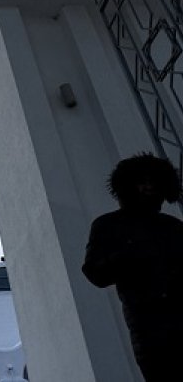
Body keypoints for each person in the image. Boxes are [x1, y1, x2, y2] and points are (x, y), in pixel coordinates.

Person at [82, 153, 183, 381]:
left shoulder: (173, 227)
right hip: (148, 324)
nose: (148, 188)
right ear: (128, 186)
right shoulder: (108, 225)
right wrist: (132, 253)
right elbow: (95, 272)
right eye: (142, 182)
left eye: (154, 183)